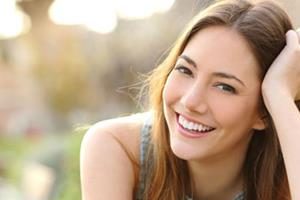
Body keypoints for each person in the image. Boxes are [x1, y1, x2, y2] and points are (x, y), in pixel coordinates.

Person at [80, 0, 300, 199]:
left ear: (264, 112)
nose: (191, 101)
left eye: (225, 87)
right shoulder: (118, 148)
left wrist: (280, 96)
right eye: (185, 70)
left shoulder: (289, 171)